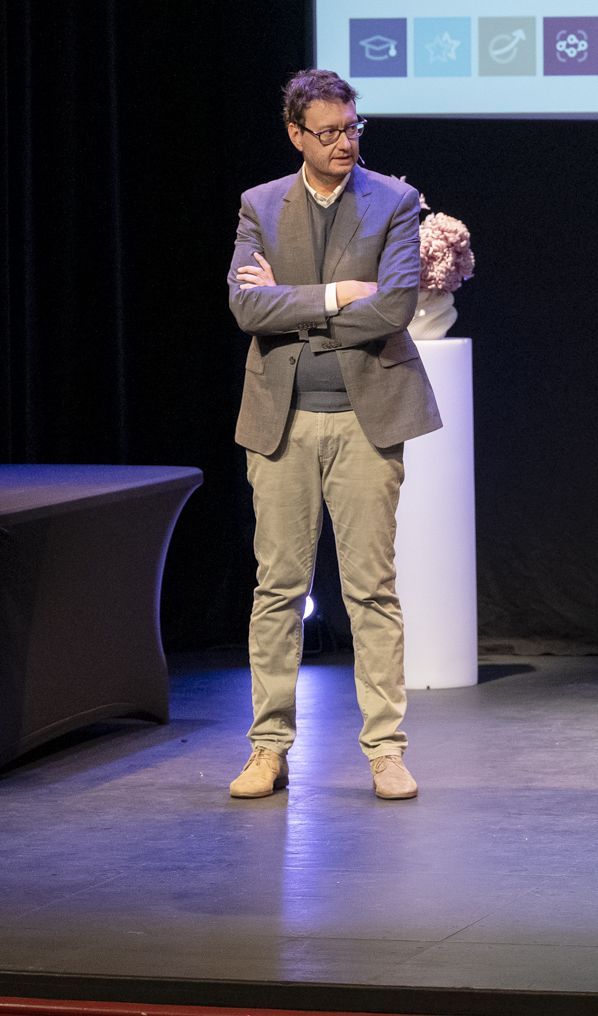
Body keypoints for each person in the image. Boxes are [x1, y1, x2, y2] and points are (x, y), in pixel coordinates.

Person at [226, 69, 442, 802]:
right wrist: (337, 294)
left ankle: (386, 750)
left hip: (365, 416)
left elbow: (395, 308)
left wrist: (292, 306)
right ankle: (268, 748)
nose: (345, 141)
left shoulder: (395, 200)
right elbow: (245, 310)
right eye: (329, 132)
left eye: (353, 127)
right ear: (296, 134)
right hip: (281, 420)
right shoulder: (261, 205)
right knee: (277, 588)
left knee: (371, 588)